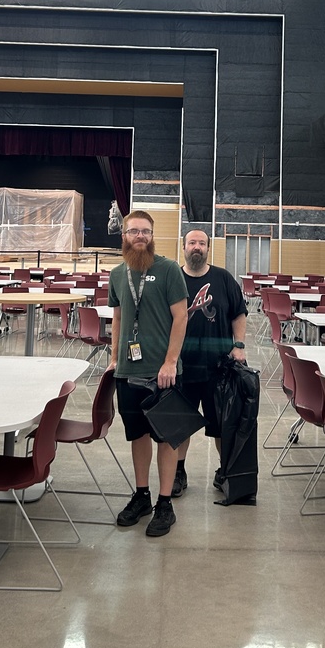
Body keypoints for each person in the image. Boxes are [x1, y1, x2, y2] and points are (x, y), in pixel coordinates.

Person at [108, 210, 188, 537]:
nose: (139, 236)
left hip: (163, 372)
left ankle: (164, 503)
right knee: (137, 435)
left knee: (166, 438)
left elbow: (181, 318)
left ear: (153, 236)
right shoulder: (116, 274)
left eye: (145, 231)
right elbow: (116, 319)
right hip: (129, 370)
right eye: (133, 231)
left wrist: (170, 362)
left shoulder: (168, 270)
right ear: (124, 236)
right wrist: (114, 358)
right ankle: (141, 495)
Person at [172, 228, 248, 498]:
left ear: (207, 249)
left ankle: (225, 470)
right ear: (183, 247)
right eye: (192, 242)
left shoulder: (224, 279)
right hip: (181, 368)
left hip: (219, 368)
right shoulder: (174, 278)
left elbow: (239, 314)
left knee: (222, 425)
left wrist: (238, 346)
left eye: (201, 243)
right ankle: (177, 471)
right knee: (180, 425)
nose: (197, 247)